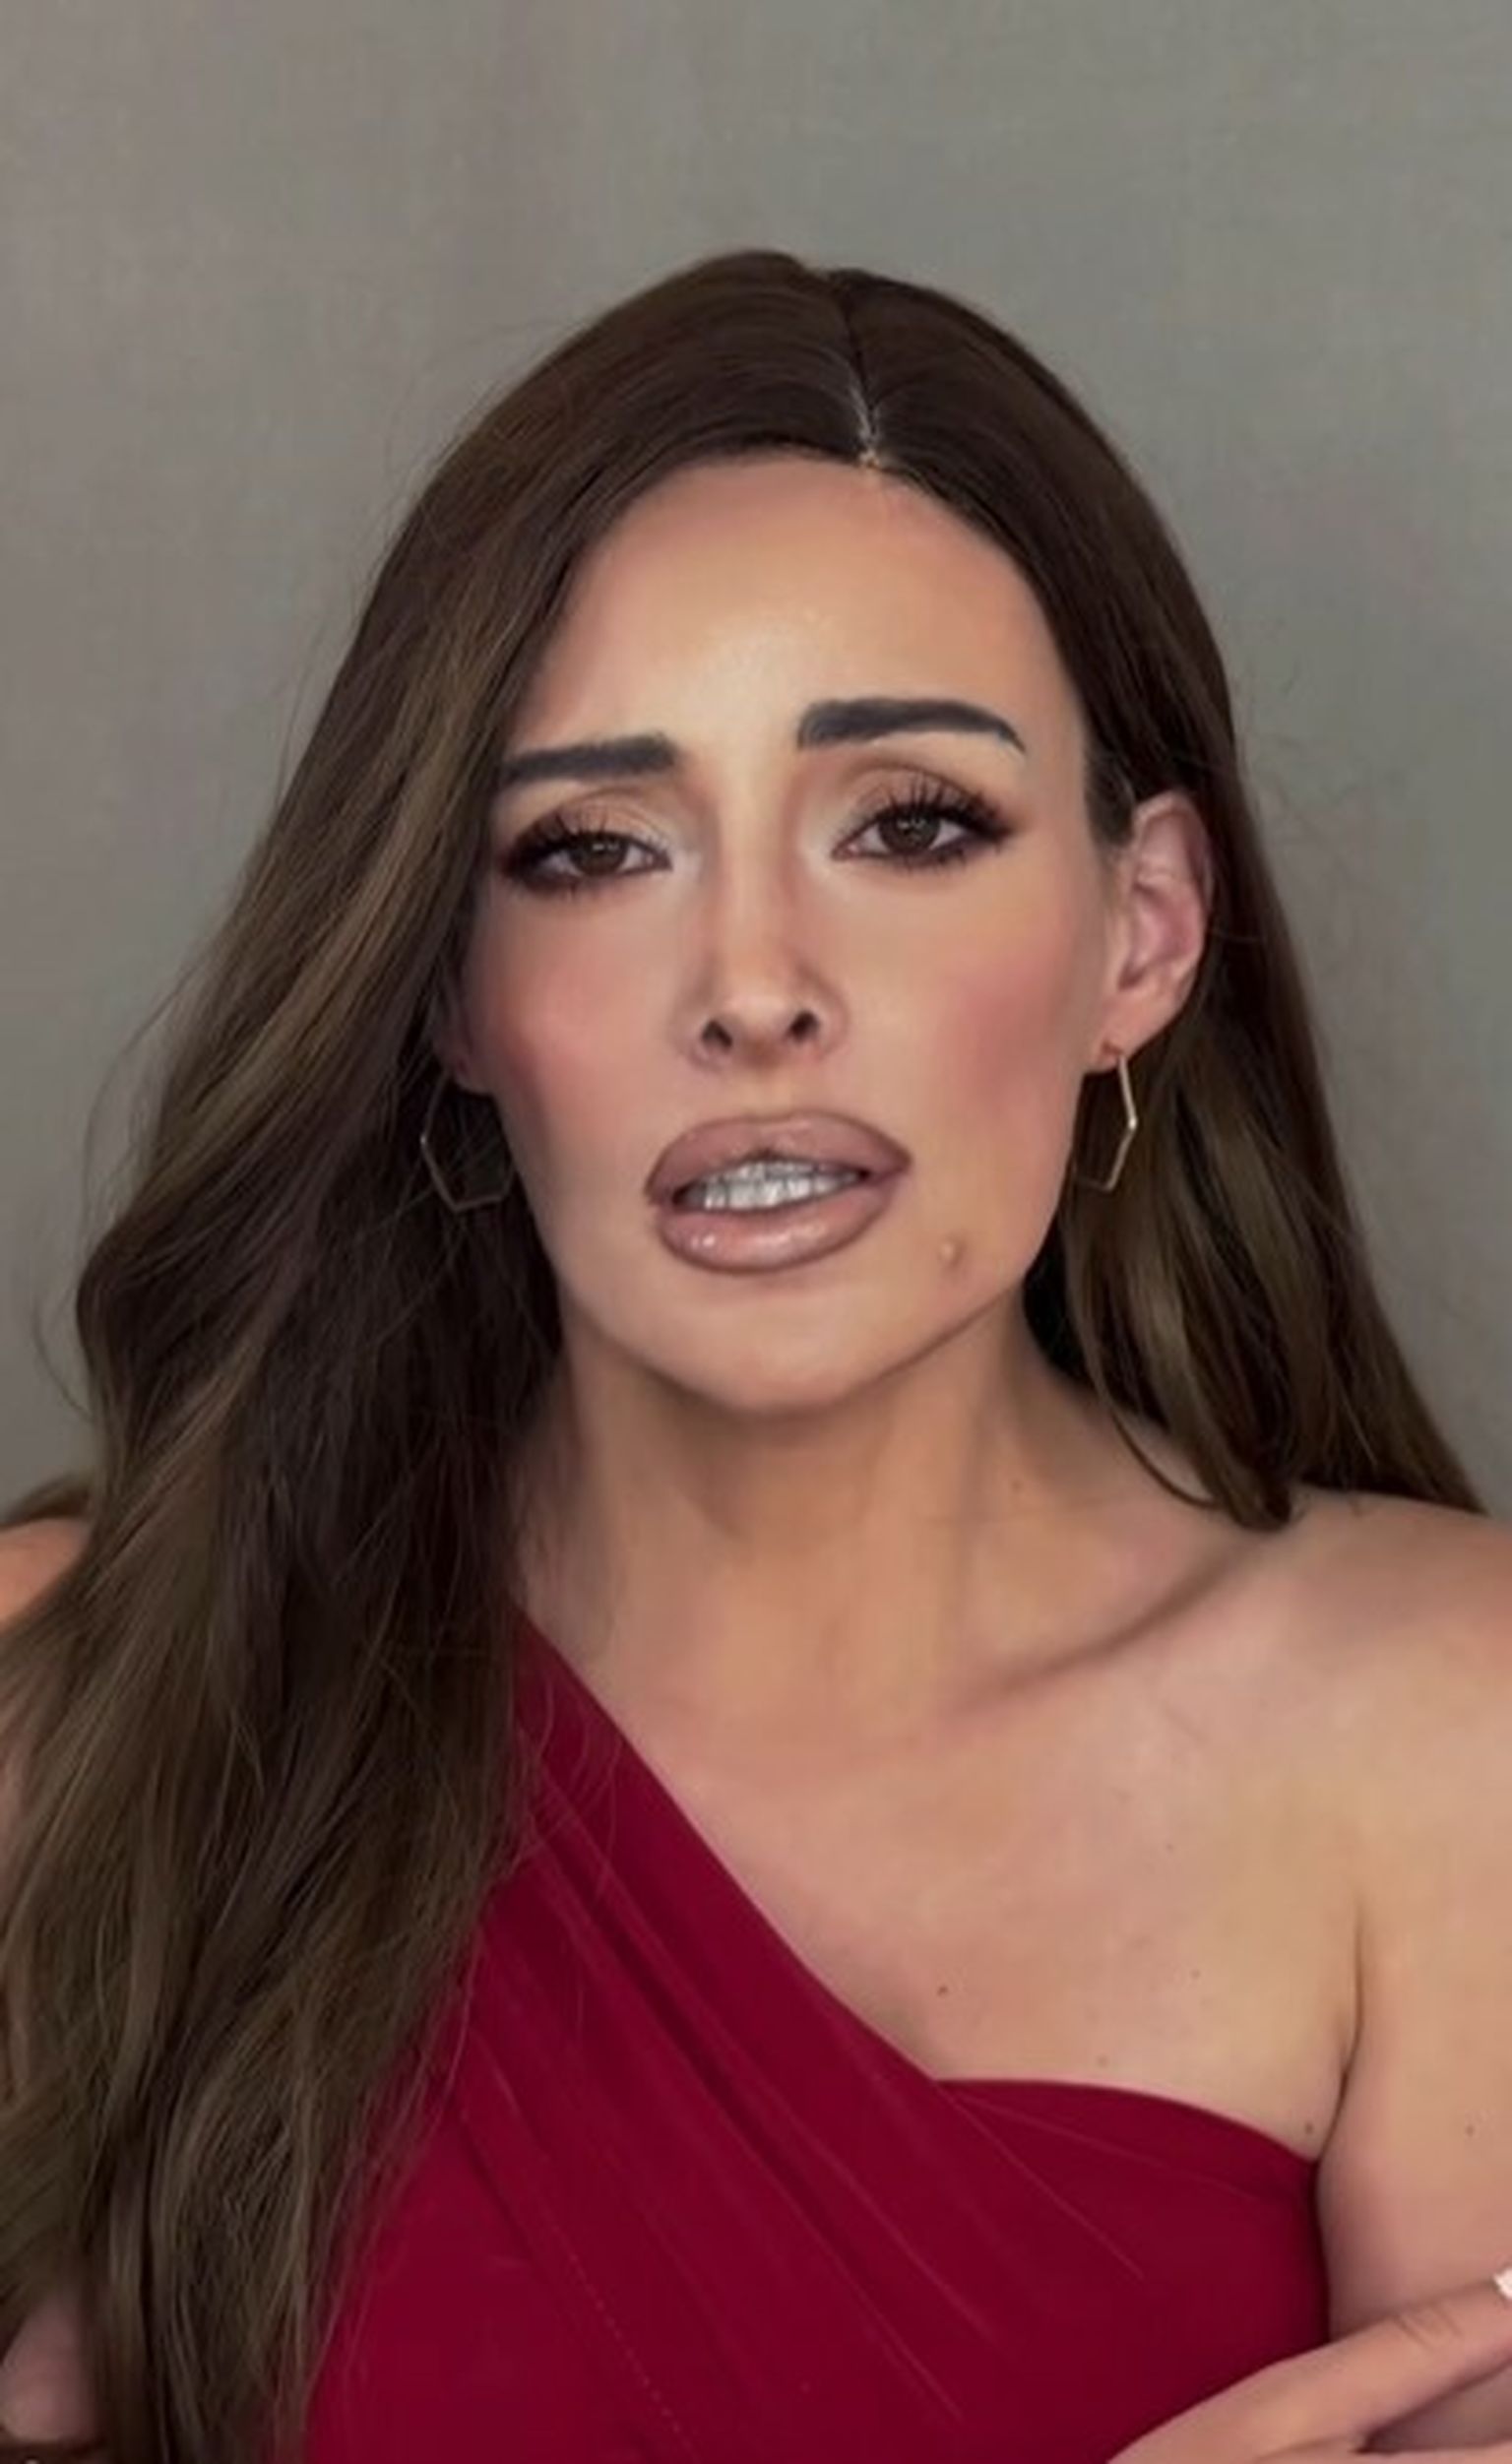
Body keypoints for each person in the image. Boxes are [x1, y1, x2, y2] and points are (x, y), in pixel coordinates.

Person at [1, 245, 1510, 2464]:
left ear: (1141, 934)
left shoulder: (1456, 1736)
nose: (752, 986)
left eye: (911, 823)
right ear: (453, 994)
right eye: (594, 848)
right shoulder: (80, 1707)